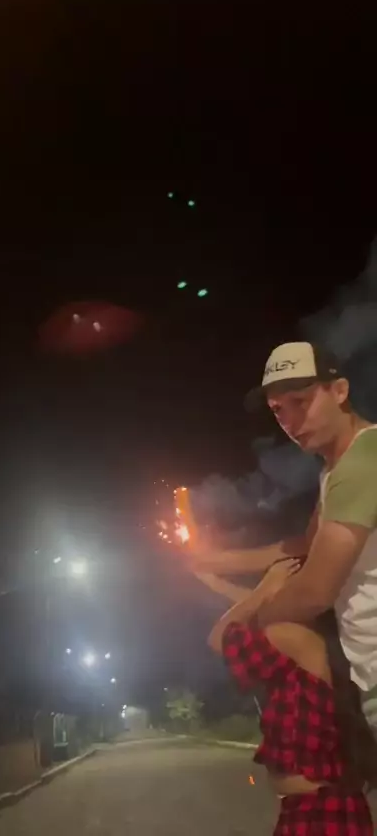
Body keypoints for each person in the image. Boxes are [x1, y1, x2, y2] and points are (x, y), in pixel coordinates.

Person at [189, 341, 377, 735]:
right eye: (278, 410)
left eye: (300, 401)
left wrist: (248, 625)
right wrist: (216, 561)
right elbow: (303, 546)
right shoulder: (337, 470)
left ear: (340, 391)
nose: (290, 420)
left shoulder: (365, 460)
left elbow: (314, 591)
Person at [204, 557, 377, 835]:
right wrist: (218, 583)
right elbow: (259, 613)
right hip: (330, 809)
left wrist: (264, 588)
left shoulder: (293, 638)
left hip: (317, 814)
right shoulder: (320, 641)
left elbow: (219, 638)